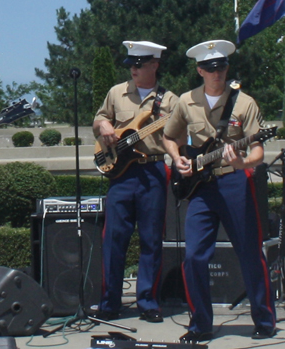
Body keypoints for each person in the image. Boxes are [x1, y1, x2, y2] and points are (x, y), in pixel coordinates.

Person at [163, 40, 276, 343]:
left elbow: (257, 153)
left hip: (234, 183)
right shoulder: (186, 101)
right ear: (200, 70)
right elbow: (169, 137)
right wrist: (178, 159)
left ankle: (264, 320)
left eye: (222, 67)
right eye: (211, 69)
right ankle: (200, 323)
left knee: (250, 253)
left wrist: (240, 162)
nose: (218, 74)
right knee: (195, 257)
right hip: (200, 189)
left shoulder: (245, 103)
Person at [93, 41, 178, 322]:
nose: (133, 69)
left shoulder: (171, 101)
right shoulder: (117, 93)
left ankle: (148, 302)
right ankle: (109, 303)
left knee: (151, 240)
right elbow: (100, 119)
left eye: (139, 64)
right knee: (114, 239)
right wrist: (104, 125)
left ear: (155, 64)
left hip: (152, 171)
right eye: (131, 64)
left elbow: (178, 137)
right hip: (121, 173)